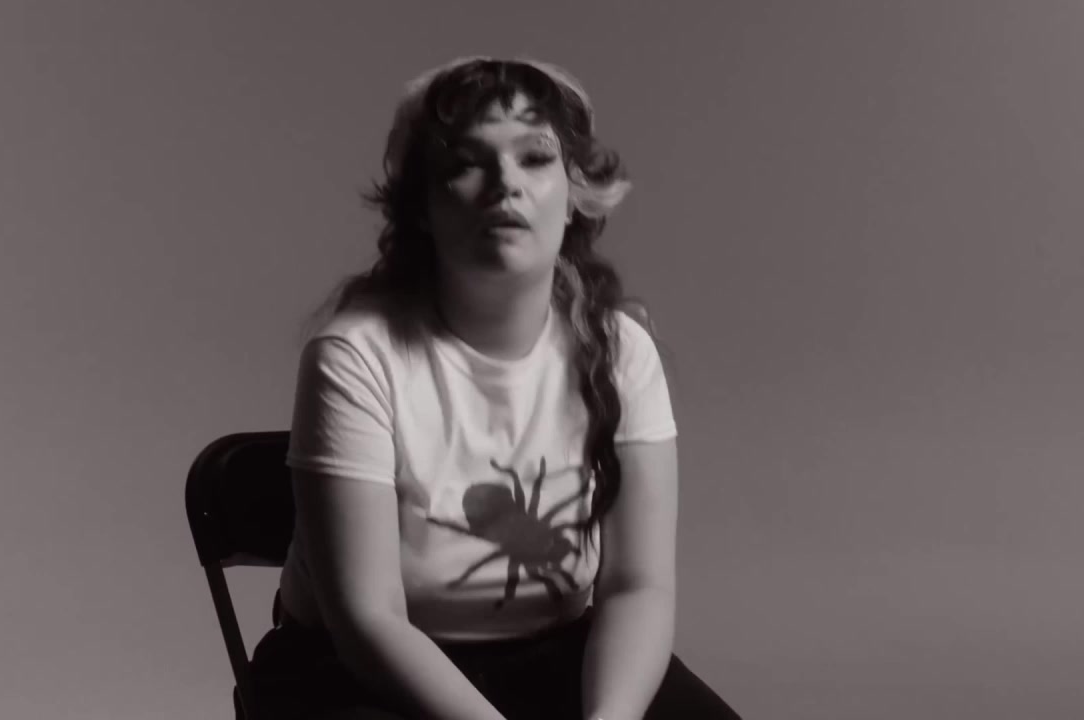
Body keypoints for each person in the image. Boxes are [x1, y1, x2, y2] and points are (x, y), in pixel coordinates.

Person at [247, 56, 741, 720]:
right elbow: (369, 619)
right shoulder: (354, 355)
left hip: (553, 651)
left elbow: (636, 586)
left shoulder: (623, 351)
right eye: (464, 163)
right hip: (358, 666)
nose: (505, 183)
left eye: (535, 158)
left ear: (576, 194)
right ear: (421, 206)